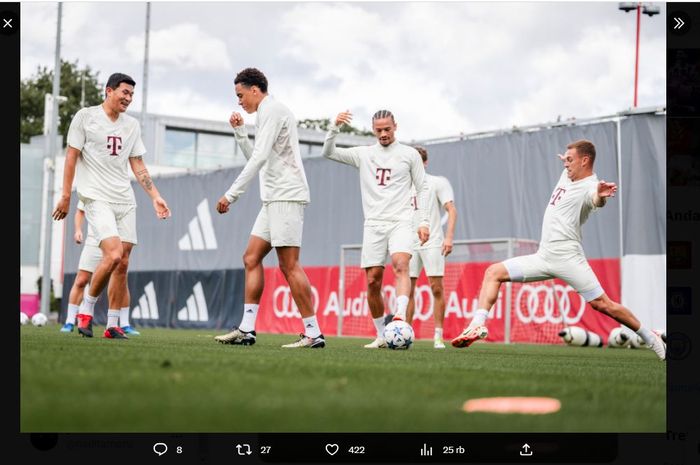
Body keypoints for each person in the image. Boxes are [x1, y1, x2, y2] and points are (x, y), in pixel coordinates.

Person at [450, 140, 666, 360]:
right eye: (565, 160)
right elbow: (570, 167)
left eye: (570, 160)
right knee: (493, 272)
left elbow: (595, 200)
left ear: (585, 161)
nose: (566, 165)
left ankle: (650, 338)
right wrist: (568, 160)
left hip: (568, 258)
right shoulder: (568, 174)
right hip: (543, 256)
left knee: (603, 305)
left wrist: (600, 197)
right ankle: (477, 325)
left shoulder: (591, 186)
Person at [52, 72, 170, 339]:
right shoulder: (85, 117)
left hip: (125, 200)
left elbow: (137, 164)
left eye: (131, 95)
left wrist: (155, 196)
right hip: (96, 197)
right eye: (124, 92)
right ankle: (87, 309)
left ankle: (112, 324)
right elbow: (71, 158)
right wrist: (66, 196)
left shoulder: (131, 126)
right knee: (113, 254)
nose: (128, 98)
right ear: (108, 91)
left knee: (123, 263)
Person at [214, 68, 324, 349]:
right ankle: (247, 329)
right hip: (273, 198)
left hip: (286, 196)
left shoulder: (273, 110)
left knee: (289, 265)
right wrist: (240, 133)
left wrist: (231, 194)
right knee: (251, 258)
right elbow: (259, 158)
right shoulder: (265, 113)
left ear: (254, 90)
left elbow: (259, 157)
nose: (239, 101)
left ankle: (313, 333)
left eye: (240, 95)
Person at [322, 109, 430, 348]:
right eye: (379, 130)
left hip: (401, 220)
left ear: (395, 127)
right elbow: (327, 152)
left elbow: (422, 188)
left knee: (402, 265)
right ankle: (382, 334)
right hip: (373, 224)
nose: (383, 134)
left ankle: (400, 317)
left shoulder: (409, 154)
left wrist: (423, 222)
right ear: (373, 130)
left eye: (387, 129)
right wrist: (334, 127)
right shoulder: (364, 154)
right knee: (373, 281)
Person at [59, 201, 140, 335]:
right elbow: (80, 211)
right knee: (81, 280)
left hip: (115, 242)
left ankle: (123, 323)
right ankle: (70, 321)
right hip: (94, 241)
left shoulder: (122, 191)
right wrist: (78, 230)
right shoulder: (92, 186)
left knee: (121, 277)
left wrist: (155, 197)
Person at [405, 146, 457, 349]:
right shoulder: (402, 186)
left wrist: (449, 238)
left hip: (433, 241)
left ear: (425, 163)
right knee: (406, 290)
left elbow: (451, 210)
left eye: (418, 160)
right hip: (408, 243)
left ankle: (438, 335)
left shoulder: (437, 182)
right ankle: (406, 333)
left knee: (436, 287)